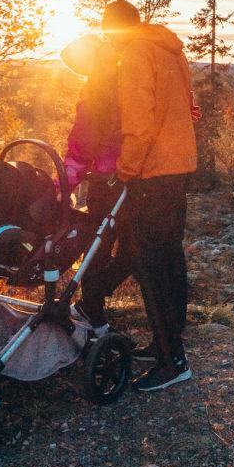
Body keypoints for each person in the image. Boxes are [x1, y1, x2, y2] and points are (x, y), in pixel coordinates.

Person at [102, 0, 198, 392]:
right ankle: (168, 341)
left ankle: (172, 360)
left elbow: (139, 124)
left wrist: (125, 171)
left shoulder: (136, 56)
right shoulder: (169, 49)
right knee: (170, 259)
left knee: (151, 265)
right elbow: (190, 107)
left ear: (115, 30)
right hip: (177, 169)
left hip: (151, 174)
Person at [60, 34, 134, 336]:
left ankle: (92, 306)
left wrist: (63, 183)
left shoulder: (97, 91)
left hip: (108, 181)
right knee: (123, 246)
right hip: (129, 176)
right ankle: (93, 308)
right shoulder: (123, 82)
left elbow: (81, 144)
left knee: (100, 244)